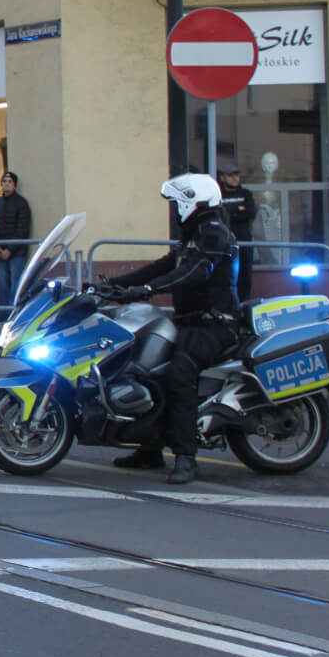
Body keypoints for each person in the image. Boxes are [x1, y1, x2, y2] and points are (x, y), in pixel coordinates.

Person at [101, 173, 240, 486]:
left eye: (178, 203)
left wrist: (147, 290)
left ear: (193, 201)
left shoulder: (214, 234)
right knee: (145, 367)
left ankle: (186, 456)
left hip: (214, 324)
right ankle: (150, 449)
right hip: (189, 321)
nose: (176, 209)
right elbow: (163, 267)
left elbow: (192, 273)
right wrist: (114, 285)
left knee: (179, 373)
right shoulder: (194, 235)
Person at [0, 171, 33, 310]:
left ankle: (14, 314)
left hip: (17, 253)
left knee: (15, 285)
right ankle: (4, 314)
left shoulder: (21, 203)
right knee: (3, 285)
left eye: (10, 181)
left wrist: (9, 249)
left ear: (14, 185)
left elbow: (22, 229)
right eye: (4, 181)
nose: (6, 184)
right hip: (0, 252)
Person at [218, 161, 257, 303]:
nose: (235, 178)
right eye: (230, 175)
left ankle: (243, 303)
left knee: (244, 274)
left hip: (244, 242)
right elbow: (219, 215)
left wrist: (230, 212)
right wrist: (238, 210)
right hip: (224, 242)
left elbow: (251, 213)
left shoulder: (245, 194)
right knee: (224, 273)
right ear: (223, 178)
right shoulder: (218, 195)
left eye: (236, 175)